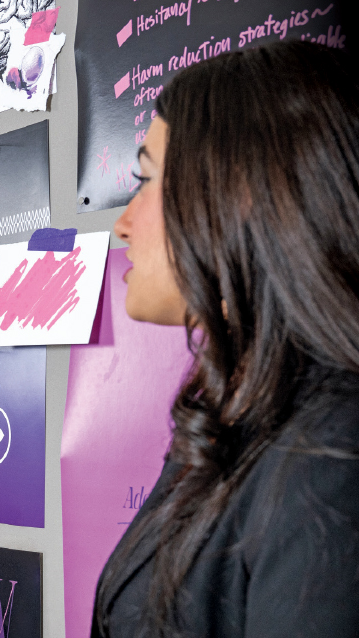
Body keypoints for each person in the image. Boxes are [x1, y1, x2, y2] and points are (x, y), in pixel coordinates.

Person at [96, 41, 359, 636]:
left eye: (147, 181)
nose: (122, 223)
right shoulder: (242, 414)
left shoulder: (331, 462)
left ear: (238, 196)